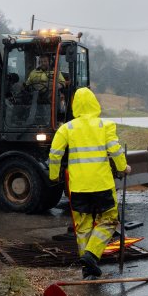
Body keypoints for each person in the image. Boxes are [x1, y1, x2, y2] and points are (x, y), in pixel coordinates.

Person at [48, 87, 131, 279]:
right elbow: (115, 150)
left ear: (74, 105)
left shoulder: (66, 128)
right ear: (95, 103)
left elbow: (54, 154)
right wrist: (122, 167)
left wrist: (54, 176)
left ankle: (87, 269)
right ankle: (91, 255)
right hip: (101, 185)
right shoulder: (105, 126)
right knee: (109, 221)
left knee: (83, 226)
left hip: (78, 188)